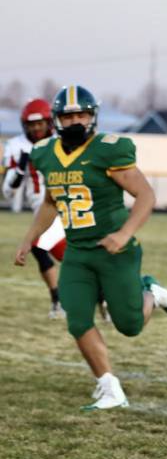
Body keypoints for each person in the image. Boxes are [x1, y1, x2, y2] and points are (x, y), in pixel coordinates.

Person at [13, 85, 167, 410]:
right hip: (77, 251)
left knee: (129, 326)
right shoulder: (46, 153)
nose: (76, 120)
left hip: (116, 250)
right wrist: (30, 237)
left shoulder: (109, 150)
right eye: (69, 115)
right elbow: (51, 201)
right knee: (76, 319)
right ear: (57, 120)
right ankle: (110, 387)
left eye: (82, 114)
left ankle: (152, 293)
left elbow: (146, 195)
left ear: (93, 117)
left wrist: (124, 233)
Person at [3, 98, 68, 318]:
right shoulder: (16, 146)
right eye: (31, 125)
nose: (36, 128)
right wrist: (18, 172)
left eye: (40, 123)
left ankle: (70, 300)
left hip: (67, 207)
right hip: (43, 210)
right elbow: (7, 192)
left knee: (67, 255)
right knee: (44, 250)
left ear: (49, 122)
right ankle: (61, 300)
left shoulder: (63, 140)